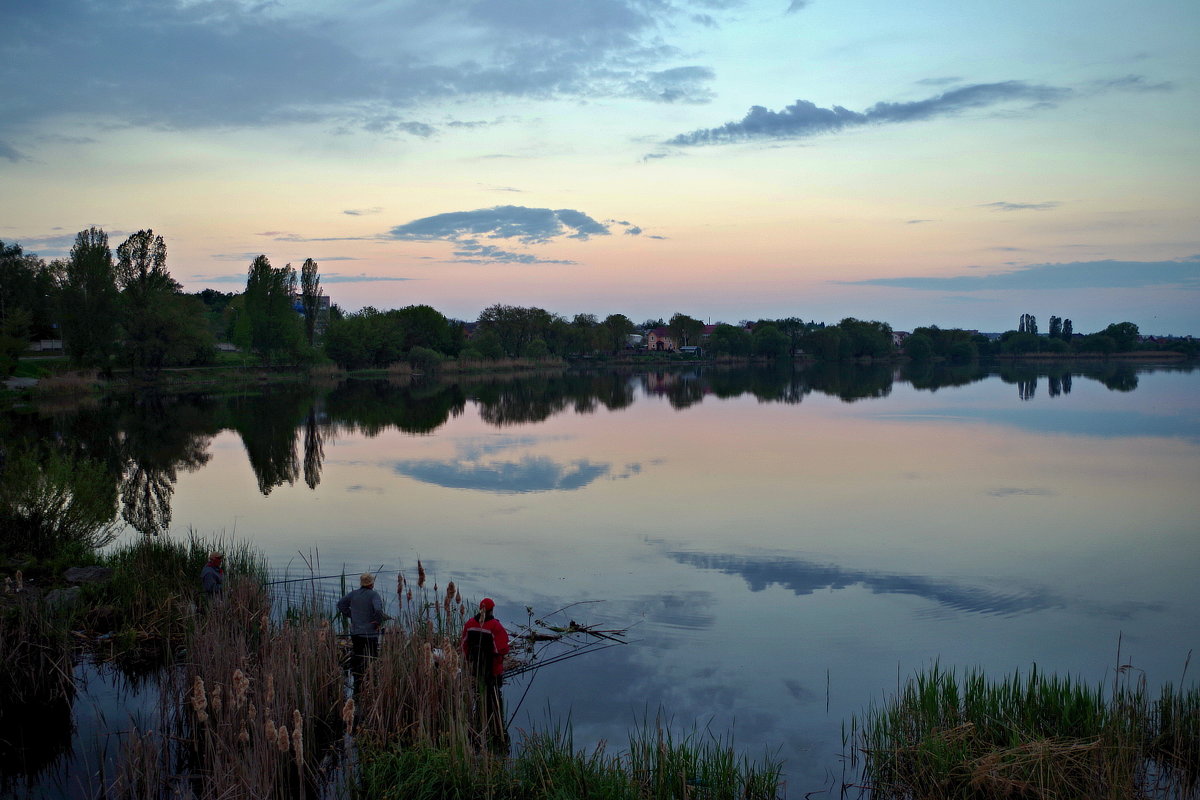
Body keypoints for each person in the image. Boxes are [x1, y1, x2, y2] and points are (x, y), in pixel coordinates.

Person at [460, 597, 510, 749]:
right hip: (493, 670)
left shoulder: (469, 624)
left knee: (481, 691)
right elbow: (502, 649)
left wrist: (470, 658)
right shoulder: (495, 626)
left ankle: (480, 716)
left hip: (477, 668)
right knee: (494, 696)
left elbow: (464, 644)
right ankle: (495, 725)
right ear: (491, 610)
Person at [337, 573, 388, 691]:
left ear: (361, 583)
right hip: (370, 633)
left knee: (358, 654)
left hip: (356, 633)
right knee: (372, 657)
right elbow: (379, 610)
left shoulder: (353, 594)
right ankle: (371, 682)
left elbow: (340, 604)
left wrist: (351, 615)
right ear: (371, 583)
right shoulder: (374, 595)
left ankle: (357, 681)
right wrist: (378, 622)